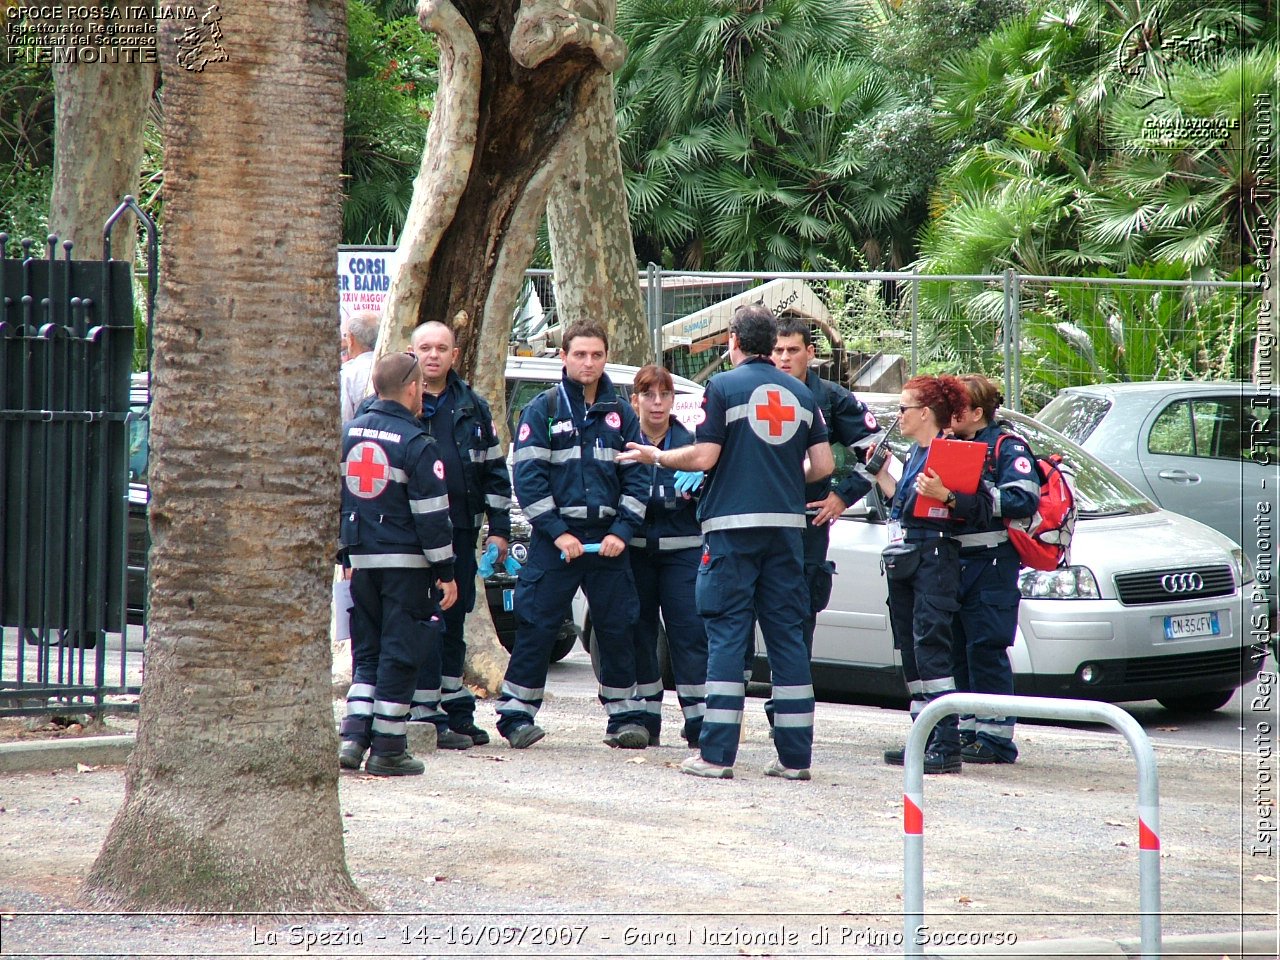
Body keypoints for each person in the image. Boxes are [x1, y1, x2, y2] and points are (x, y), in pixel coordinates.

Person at [620, 303, 834, 781]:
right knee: (787, 639)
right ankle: (795, 759)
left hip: (732, 534)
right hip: (786, 534)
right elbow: (822, 468)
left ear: (732, 343)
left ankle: (716, 756)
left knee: (726, 637)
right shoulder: (801, 393)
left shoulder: (723, 387)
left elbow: (705, 455)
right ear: (769, 343)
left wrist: (656, 456)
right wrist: (778, 475)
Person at [496, 321, 650, 749]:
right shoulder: (542, 410)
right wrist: (559, 533)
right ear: (563, 357)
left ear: (605, 358)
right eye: (579, 354)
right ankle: (515, 717)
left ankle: (625, 719)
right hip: (556, 541)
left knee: (618, 626)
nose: (588, 362)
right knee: (536, 625)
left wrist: (621, 530)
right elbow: (528, 481)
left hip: (608, 540)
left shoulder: (622, 415)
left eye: (596, 355)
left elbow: (638, 479)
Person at [337, 352, 459, 776]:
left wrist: (345, 554)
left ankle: (353, 738)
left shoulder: (349, 434)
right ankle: (388, 746)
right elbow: (432, 517)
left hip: (362, 564)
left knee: (367, 651)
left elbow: (338, 501)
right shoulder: (416, 443)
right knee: (401, 652)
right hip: (407, 566)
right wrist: (446, 571)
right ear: (412, 388)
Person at [763, 317, 881, 722]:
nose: (783, 358)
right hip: (758, 522)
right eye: (776, 350)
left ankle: (789, 711)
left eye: (792, 350)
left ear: (810, 354)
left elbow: (877, 453)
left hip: (808, 526)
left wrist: (842, 496)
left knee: (799, 617)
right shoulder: (757, 393)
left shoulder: (831, 399)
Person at [402, 320, 512, 749]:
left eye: (441, 348)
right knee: (425, 622)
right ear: (412, 354)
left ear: (455, 355)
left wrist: (499, 531)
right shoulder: (397, 404)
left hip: (460, 532)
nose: (433, 355)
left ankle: (454, 710)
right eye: (425, 348)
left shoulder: (474, 407)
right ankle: (425, 716)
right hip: (411, 538)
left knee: (453, 622)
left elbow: (495, 474)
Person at [870, 374, 971, 775]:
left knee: (931, 647)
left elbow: (972, 506)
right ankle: (924, 736)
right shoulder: (915, 452)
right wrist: (880, 474)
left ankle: (946, 743)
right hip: (908, 558)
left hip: (933, 559)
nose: (899, 416)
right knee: (910, 650)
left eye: (903, 409)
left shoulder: (950, 452)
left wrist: (946, 495)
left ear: (924, 413)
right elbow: (905, 504)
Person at [946, 375, 1040, 764]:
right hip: (956, 560)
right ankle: (969, 729)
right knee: (958, 649)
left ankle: (997, 738)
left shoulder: (1007, 445)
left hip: (993, 562)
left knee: (986, 648)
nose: (948, 415)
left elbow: (1024, 498)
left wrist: (972, 495)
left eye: (956, 408)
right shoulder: (952, 444)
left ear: (977, 412)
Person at [627, 364, 708, 748]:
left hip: (683, 557)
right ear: (635, 400)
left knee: (689, 636)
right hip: (637, 554)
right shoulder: (623, 445)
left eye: (664, 395)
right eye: (648, 395)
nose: (657, 403)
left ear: (674, 400)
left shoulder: (692, 445)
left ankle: (698, 722)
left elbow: (708, 501)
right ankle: (646, 719)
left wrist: (703, 480)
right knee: (640, 635)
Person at [340, 311, 378, 424]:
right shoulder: (392, 365)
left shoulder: (349, 373)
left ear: (351, 339)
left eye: (346, 336)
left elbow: (344, 418)